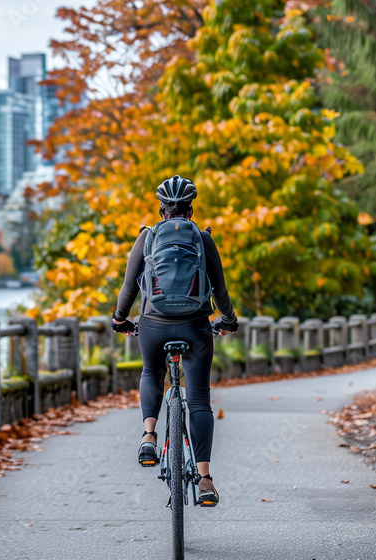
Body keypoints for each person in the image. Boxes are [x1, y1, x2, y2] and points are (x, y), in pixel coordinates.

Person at [110, 175, 238, 507]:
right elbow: (220, 291)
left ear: (161, 210)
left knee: (151, 372)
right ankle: (206, 479)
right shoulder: (202, 239)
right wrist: (228, 320)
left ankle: (149, 436)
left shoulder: (147, 237)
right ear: (191, 211)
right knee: (198, 400)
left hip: (154, 324)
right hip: (195, 326)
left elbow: (129, 289)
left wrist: (120, 319)